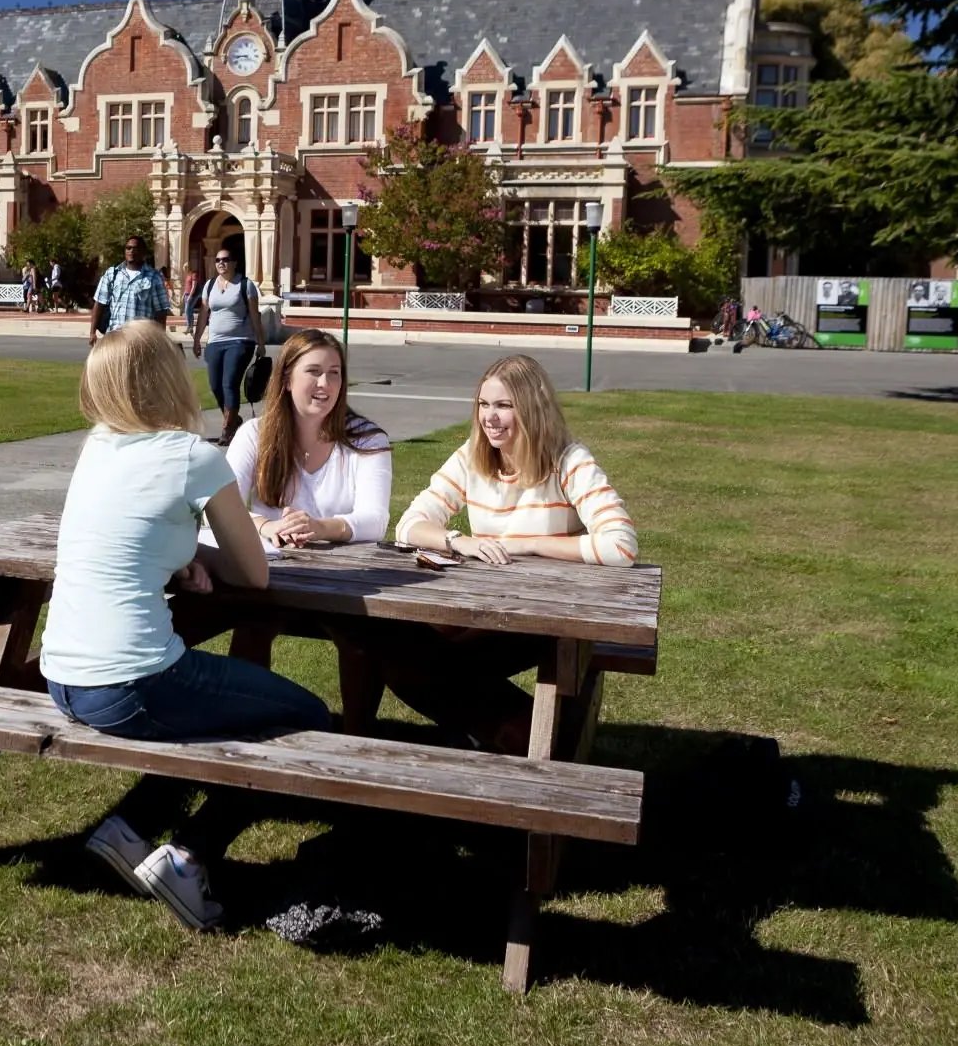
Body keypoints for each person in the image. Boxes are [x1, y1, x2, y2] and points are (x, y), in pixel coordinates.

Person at [41, 321, 329, 929]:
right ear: (169, 379)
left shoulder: (96, 446)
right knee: (305, 717)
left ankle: (132, 827)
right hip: (133, 681)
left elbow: (131, 540)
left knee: (222, 713)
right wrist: (203, 558)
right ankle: (190, 855)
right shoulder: (193, 457)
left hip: (63, 677)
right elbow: (254, 574)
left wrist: (181, 560)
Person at [389, 354, 638, 752]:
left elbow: (620, 545)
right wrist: (458, 541)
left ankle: (523, 739)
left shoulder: (569, 461)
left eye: (504, 405)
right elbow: (410, 524)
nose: (490, 417)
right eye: (484, 405)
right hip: (483, 607)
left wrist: (528, 545)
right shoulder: (473, 455)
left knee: (417, 662)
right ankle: (520, 735)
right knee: (392, 646)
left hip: (549, 614)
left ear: (532, 409)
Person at [224, 328, 391, 548]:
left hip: (348, 573)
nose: (325, 383)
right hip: (271, 566)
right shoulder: (254, 434)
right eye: (313, 371)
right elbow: (219, 510)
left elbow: (375, 521)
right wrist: (267, 526)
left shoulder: (367, 440)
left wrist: (318, 527)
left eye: (334, 372)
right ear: (287, 380)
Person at [192, 246, 267, 445]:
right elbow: (204, 315)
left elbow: (254, 315)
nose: (221, 263)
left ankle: (227, 429)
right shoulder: (209, 285)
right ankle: (233, 418)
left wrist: (261, 342)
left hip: (240, 341)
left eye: (226, 259)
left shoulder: (245, 285)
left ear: (234, 262)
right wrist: (197, 339)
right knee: (215, 385)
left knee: (229, 382)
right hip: (215, 342)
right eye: (218, 260)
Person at [88, 234, 169, 344]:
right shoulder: (112, 274)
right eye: (128, 248)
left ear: (143, 252)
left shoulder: (154, 277)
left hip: (141, 340)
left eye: (135, 248)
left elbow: (161, 312)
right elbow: (99, 304)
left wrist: (161, 340)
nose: (131, 251)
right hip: (114, 338)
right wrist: (92, 332)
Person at [181, 258, 202, 334]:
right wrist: (184, 294)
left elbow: (194, 286)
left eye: (184, 268)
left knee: (187, 311)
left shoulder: (194, 274)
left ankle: (189, 327)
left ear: (187, 268)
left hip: (192, 295)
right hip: (187, 294)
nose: (184, 270)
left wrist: (190, 296)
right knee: (189, 311)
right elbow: (187, 286)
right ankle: (191, 328)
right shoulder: (188, 275)